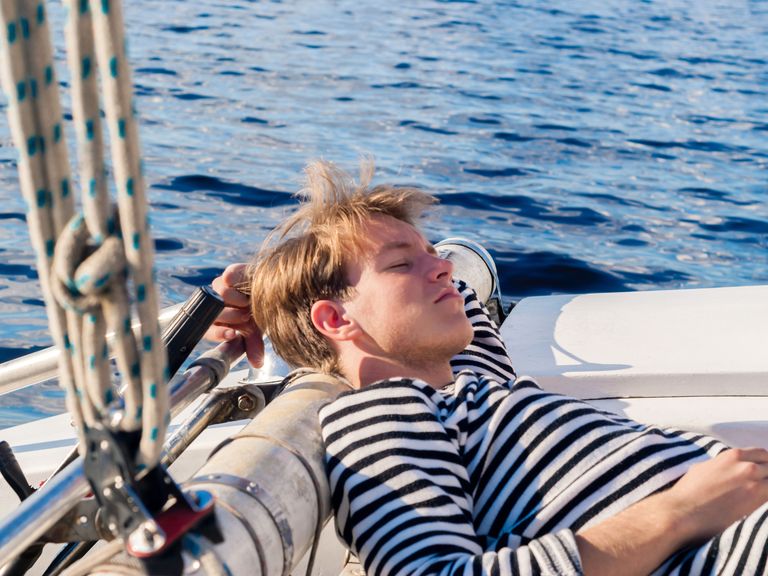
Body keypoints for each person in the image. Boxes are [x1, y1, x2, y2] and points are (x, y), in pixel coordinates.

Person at [206, 160, 768, 576]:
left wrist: (257, 288)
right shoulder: (383, 414)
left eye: (433, 255)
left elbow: (456, 289)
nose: (445, 268)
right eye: (404, 264)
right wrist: (680, 510)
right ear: (334, 318)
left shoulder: (471, 377)